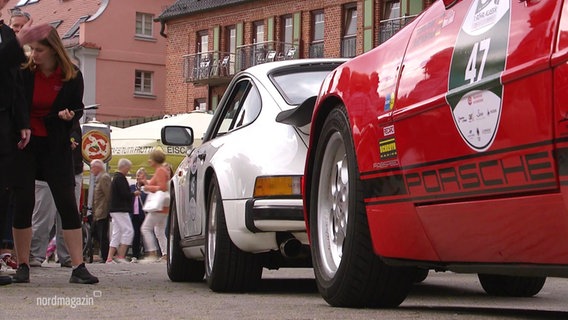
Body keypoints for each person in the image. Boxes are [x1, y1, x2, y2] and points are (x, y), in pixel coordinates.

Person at [11, 27, 98, 284]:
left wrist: (68, 115)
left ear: (53, 49)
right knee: (24, 202)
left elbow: (78, 108)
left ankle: (78, 266)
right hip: (25, 143)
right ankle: (23, 264)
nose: (34, 54)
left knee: (67, 204)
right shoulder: (24, 73)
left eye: (39, 50)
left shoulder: (72, 75)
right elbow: (16, 104)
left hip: (55, 144)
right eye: (32, 50)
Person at [0, 0, 52, 286]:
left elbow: (15, 84)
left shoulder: (7, 36)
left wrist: (22, 123)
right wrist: (20, 40)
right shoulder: (12, 39)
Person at [139, 150, 169, 263]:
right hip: (163, 207)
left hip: (158, 207)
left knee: (145, 228)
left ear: (155, 160)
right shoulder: (162, 170)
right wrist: (145, 181)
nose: (149, 160)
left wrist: (148, 188)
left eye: (150, 158)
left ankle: (152, 253)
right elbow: (156, 184)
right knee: (159, 231)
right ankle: (165, 254)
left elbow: (162, 187)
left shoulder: (160, 171)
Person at [106, 158, 134, 263]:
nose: (129, 170)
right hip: (120, 209)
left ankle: (109, 258)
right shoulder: (120, 178)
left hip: (114, 209)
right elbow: (124, 194)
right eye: (128, 168)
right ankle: (120, 256)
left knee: (116, 233)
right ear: (125, 167)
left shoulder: (115, 178)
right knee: (128, 231)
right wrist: (133, 194)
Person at [90, 159, 111, 263]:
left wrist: (108, 211)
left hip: (102, 211)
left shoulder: (104, 177)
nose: (91, 170)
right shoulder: (99, 178)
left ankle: (105, 256)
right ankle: (99, 254)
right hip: (98, 212)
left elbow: (108, 194)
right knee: (95, 233)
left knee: (102, 235)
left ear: (97, 167)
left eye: (92, 167)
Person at [129, 168, 147, 262]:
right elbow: (128, 196)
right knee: (135, 234)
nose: (142, 178)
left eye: (144, 176)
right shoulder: (132, 187)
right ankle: (135, 255)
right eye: (140, 176)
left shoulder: (147, 188)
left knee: (145, 234)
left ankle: (146, 252)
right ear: (137, 177)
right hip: (134, 214)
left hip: (143, 214)